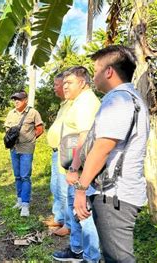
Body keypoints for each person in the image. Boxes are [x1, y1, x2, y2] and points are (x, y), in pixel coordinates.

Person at [74, 45, 149, 263]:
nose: (94, 76)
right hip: (120, 193)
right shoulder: (131, 98)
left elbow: (102, 148)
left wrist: (81, 189)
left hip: (115, 195)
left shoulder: (119, 100)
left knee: (118, 258)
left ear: (109, 72)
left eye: (96, 70)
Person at [53, 67, 101, 262]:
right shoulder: (77, 101)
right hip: (76, 167)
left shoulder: (86, 102)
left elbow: (84, 138)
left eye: (69, 83)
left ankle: (91, 257)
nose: (65, 86)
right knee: (76, 210)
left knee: (84, 212)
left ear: (82, 82)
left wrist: (73, 168)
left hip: (82, 170)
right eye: (63, 83)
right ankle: (77, 249)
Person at [4, 90, 44, 217]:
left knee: (25, 176)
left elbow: (40, 129)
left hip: (26, 149)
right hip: (14, 149)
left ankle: (26, 205)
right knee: (17, 176)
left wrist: (30, 139)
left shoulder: (33, 113)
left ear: (25, 100)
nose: (16, 101)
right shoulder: (11, 113)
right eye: (14, 99)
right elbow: (7, 129)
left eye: (19, 99)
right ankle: (19, 200)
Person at [44, 73, 71, 236]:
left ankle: (68, 224)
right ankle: (59, 217)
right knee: (55, 186)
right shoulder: (64, 105)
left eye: (56, 84)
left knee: (64, 189)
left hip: (65, 152)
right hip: (56, 152)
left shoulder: (74, 104)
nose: (54, 88)